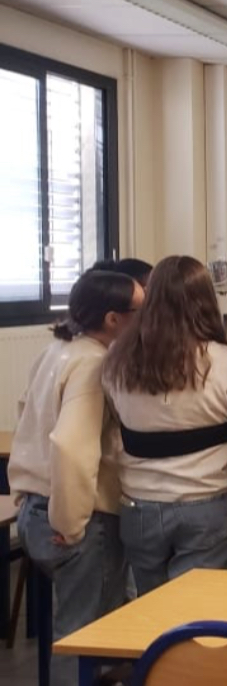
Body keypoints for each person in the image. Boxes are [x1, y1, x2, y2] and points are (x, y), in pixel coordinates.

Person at [8, 269, 141, 685]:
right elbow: (70, 446)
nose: (147, 316)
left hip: (34, 505)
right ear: (112, 319)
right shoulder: (94, 364)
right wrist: (71, 523)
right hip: (75, 519)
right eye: (140, 309)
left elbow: (26, 417)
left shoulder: (57, 350)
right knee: (83, 635)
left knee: (77, 624)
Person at [101, 255, 227, 595]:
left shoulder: (117, 359)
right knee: (195, 614)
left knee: (147, 611)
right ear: (205, 300)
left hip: (139, 505)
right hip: (206, 501)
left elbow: (116, 418)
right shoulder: (226, 362)